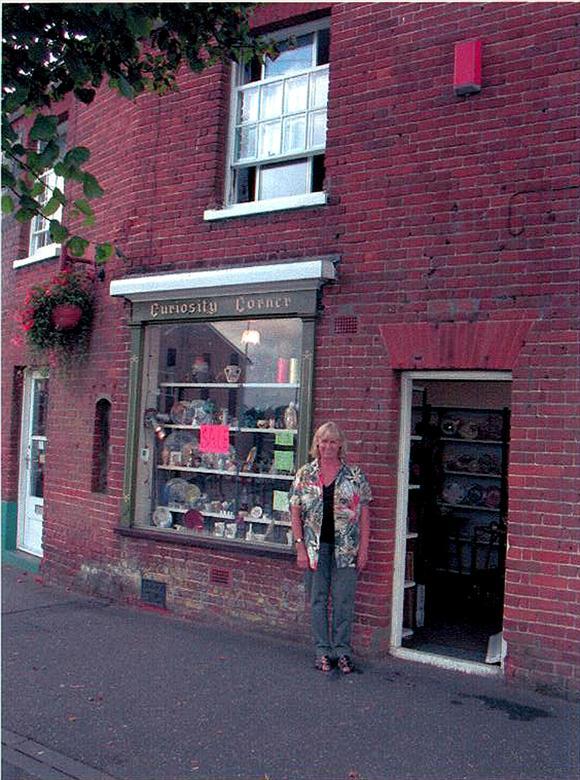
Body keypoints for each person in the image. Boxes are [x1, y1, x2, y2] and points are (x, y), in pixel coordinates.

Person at [289, 421, 372, 673]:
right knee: (318, 599)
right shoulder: (305, 474)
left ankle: (342, 651)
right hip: (315, 549)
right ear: (317, 444)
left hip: (346, 548)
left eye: (333, 442)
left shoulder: (355, 476)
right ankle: (323, 650)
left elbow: (365, 514)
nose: (328, 446)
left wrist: (364, 549)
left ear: (340, 445)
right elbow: (294, 512)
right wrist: (300, 548)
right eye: (324, 441)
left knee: (343, 601)